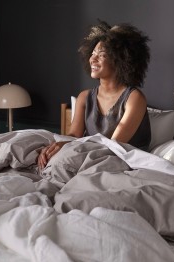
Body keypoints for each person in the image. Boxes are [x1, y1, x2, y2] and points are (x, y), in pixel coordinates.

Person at [37, 20, 151, 169]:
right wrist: (56, 146)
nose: (93, 59)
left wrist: (69, 147)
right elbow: (74, 136)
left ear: (121, 60)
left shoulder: (134, 98)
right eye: (92, 54)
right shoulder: (84, 97)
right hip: (91, 155)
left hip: (123, 161)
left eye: (101, 55)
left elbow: (114, 146)